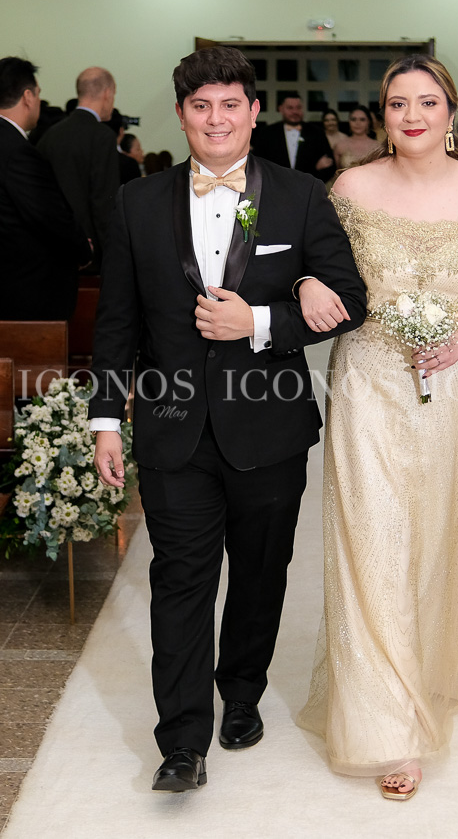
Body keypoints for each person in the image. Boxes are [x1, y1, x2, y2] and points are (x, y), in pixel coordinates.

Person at [88, 45, 367, 793]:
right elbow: (116, 322)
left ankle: (240, 692)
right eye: (201, 106)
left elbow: (351, 298)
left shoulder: (300, 196)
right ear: (182, 114)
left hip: (269, 426)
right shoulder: (137, 202)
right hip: (172, 425)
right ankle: (182, 740)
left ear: (253, 111)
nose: (216, 119)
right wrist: (106, 418)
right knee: (180, 578)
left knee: (260, 572)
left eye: (230, 105)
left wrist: (263, 321)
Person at [297, 53, 458, 800]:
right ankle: (389, 726)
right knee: (374, 537)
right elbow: (313, 265)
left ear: (451, 111)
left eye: (427, 101)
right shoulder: (351, 188)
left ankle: (429, 666)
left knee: (437, 535)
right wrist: (306, 283)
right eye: (398, 103)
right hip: (368, 380)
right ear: (383, 114)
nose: (412, 115)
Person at [0, 56, 91, 319]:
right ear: (28, 97)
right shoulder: (16, 151)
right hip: (23, 294)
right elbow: (48, 215)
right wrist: (83, 250)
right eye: (38, 94)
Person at [37, 67, 119, 272]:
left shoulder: (50, 136)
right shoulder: (102, 136)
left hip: (51, 248)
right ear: (107, 93)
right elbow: (103, 203)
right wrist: (113, 257)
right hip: (91, 254)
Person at [251, 91, 336, 182]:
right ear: (280, 109)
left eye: (298, 108)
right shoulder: (267, 133)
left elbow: (330, 166)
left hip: (308, 186)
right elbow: (257, 164)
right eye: (290, 108)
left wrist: (313, 180)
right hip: (275, 186)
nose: (295, 112)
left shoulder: (316, 132)